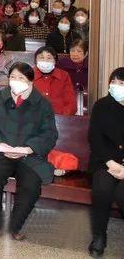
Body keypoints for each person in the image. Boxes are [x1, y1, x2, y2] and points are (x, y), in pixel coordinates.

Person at [0, 62, 57, 240]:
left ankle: (15, 226)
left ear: (30, 81)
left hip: (29, 155)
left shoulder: (42, 104)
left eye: (21, 78)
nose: (16, 81)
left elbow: (49, 133)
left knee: (31, 185)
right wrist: (0, 145)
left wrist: (28, 149)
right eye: (13, 77)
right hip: (1, 152)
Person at [87, 67, 124, 257]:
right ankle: (99, 236)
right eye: (114, 82)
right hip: (104, 162)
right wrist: (111, 162)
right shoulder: (102, 105)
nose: (116, 86)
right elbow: (95, 138)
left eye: (121, 83)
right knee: (102, 189)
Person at [33, 46, 76, 115]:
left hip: (59, 120)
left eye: (49, 58)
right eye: (41, 58)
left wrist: (61, 117)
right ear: (35, 61)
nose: (45, 61)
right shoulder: (28, 75)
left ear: (55, 61)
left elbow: (71, 104)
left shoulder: (64, 76)